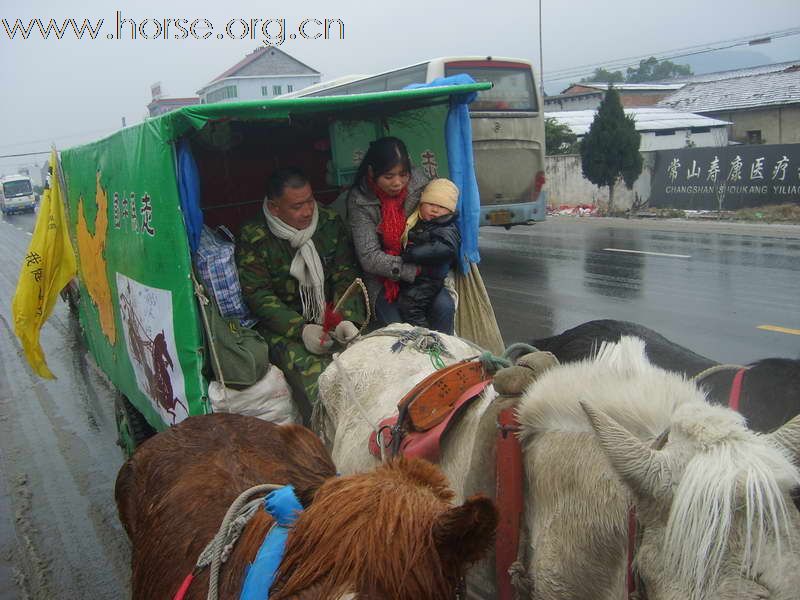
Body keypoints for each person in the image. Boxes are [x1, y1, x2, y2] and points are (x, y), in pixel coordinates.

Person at [236, 167, 365, 425]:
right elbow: (258, 296)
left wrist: (344, 320)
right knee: (317, 372)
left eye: (310, 201)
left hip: (330, 315)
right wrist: (301, 330)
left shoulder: (328, 223)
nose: (307, 211)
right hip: (283, 326)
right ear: (274, 208)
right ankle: (330, 435)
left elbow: (346, 276)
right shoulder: (255, 236)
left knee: (362, 361)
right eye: (297, 206)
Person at [348, 137, 456, 332]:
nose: (397, 183)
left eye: (403, 175)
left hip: (425, 276)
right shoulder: (360, 200)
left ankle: (445, 361)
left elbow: (444, 223)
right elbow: (369, 257)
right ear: (372, 172)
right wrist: (411, 270)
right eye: (389, 177)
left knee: (444, 307)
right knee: (399, 329)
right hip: (384, 280)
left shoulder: (421, 187)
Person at [397, 178, 461, 332]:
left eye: (441, 207)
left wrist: (411, 254)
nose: (435, 210)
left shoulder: (446, 227)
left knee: (410, 304)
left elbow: (444, 248)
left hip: (430, 278)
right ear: (421, 203)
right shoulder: (419, 222)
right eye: (431, 204)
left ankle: (424, 335)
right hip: (420, 276)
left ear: (450, 211)